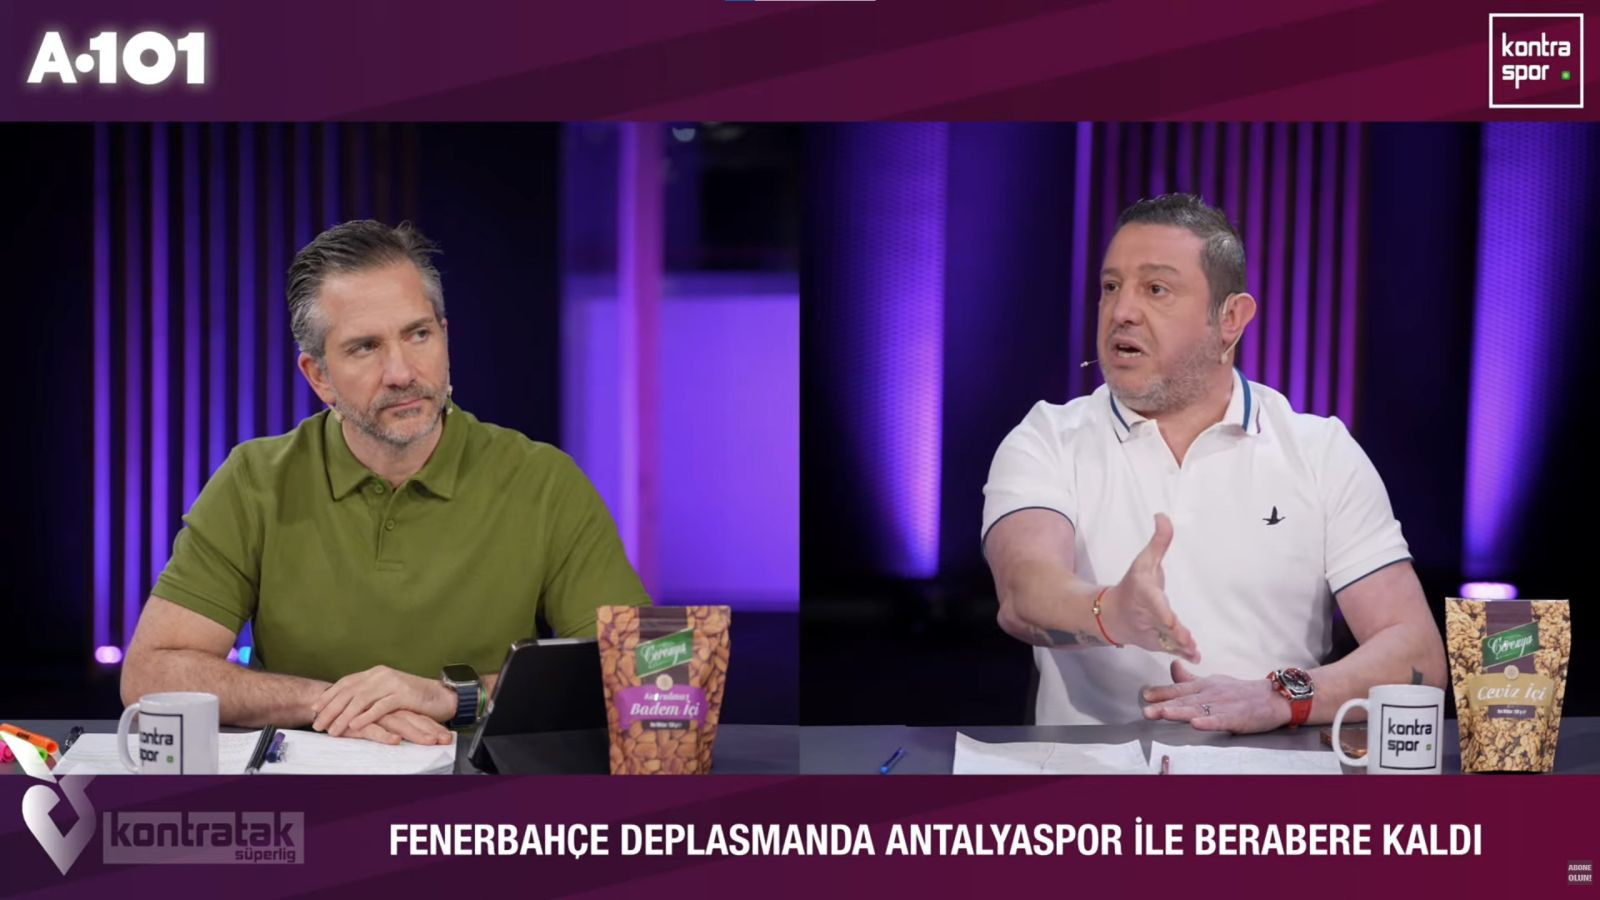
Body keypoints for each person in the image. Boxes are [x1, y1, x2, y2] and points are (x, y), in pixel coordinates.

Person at [122, 220, 649, 745]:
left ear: (445, 337)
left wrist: (453, 696)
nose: (401, 372)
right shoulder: (254, 481)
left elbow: (641, 674)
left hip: (485, 790)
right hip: (307, 788)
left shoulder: (544, 482)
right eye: (365, 347)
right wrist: (330, 703)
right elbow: (150, 674)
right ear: (318, 376)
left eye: (418, 334)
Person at [981, 193, 1446, 731]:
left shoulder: (1320, 452)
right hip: (1091, 773)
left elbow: (1415, 652)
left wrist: (1278, 697)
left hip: (1270, 773)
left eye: (1155, 289)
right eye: (1111, 287)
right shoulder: (1048, 438)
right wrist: (1110, 613)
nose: (1122, 311)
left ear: (1230, 318)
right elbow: (1024, 591)